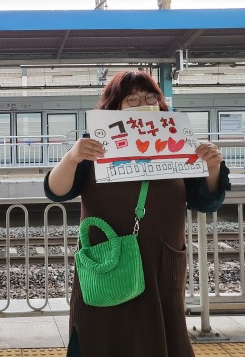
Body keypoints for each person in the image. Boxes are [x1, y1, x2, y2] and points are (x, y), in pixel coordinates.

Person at [43, 71, 231, 357]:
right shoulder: (95, 143)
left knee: (160, 335)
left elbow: (206, 202)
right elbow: (56, 191)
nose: (143, 103)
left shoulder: (179, 141)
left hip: (160, 264)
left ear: (160, 103)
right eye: (131, 99)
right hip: (105, 261)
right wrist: (72, 156)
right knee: (99, 333)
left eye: (150, 96)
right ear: (114, 107)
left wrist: (213, 167)